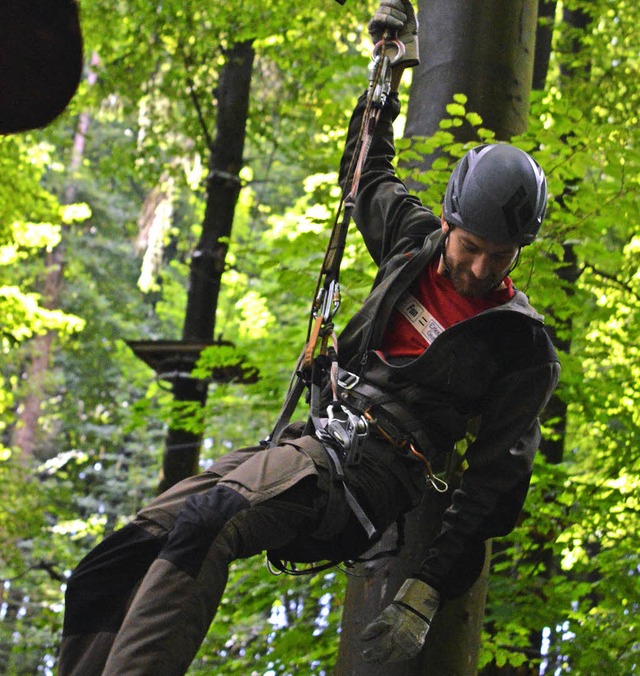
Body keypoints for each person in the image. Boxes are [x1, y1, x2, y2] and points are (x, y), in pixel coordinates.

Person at [58, 1, 560, 672]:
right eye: (471, 248)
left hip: (373, 470)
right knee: (114, 559)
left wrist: (428, 587)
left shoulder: (520, 345)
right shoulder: (412, 243)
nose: (480, 268)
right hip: (315, 438)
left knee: (211, 522)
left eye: (501, 257)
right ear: (447, 222)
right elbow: (367, 176)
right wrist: (385, 77)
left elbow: (496, 484)